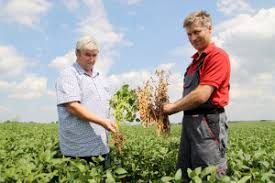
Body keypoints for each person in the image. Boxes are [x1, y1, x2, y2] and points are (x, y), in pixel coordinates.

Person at [162, 11, 230, 181]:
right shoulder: (193, 63)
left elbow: (201, 95)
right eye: (189, 34)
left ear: (209, 29)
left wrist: (172, 108)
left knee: (209, 173)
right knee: (185, 173)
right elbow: (190, 96)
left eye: (197, 32)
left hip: (208, 123)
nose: (193, 38)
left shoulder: (217, 57)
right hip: (190, 123)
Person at [55, 36, 117, 169]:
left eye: (94, 55)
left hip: (101, 146)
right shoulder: (69, 74)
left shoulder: (101, 76)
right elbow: (72, 106)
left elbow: (107, 105)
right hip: (79, 149)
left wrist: (111, 121)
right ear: (77, 54)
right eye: (87, 55)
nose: (92, 59)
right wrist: (102, 121)